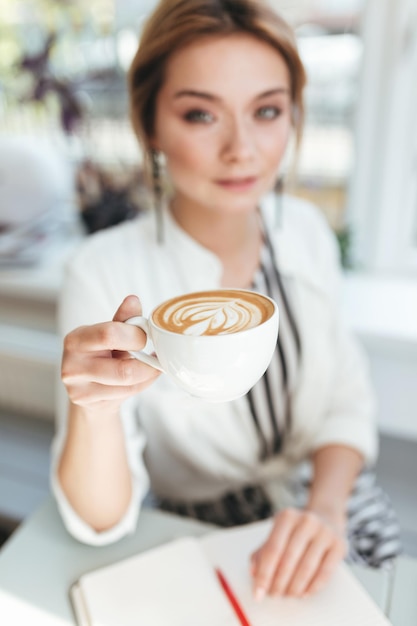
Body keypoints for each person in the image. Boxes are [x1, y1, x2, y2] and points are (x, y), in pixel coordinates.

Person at [52, 0, 401, 600]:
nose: (243, 149)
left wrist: (325, 511)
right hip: (195, 533)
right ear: (151, 126)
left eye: (266, 110)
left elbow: (346, 398)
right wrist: (97, 411)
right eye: (200, 115)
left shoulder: (308, 235)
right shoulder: (105, 271)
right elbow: (101, 524)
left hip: (330, 505)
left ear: (293, 117)